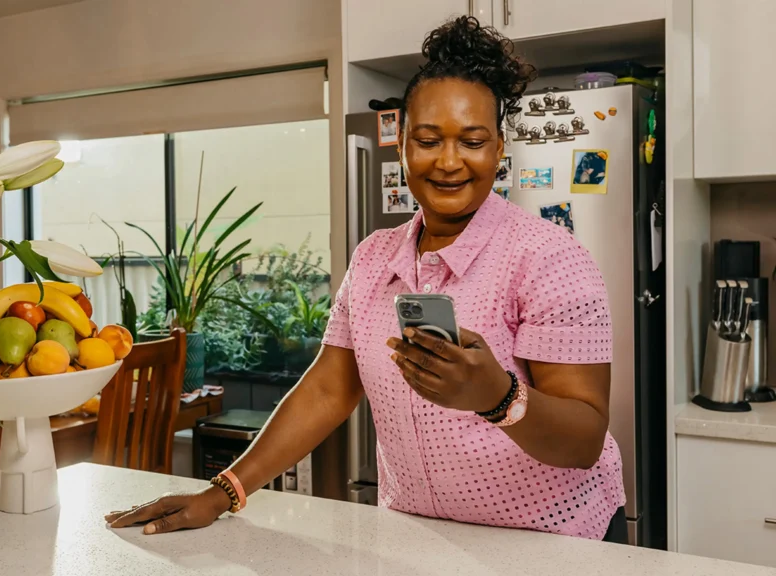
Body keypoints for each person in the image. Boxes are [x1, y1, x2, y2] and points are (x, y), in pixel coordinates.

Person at [106, 16, 626, 543]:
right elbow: (329, 388)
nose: (449, 161)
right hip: (419, 535)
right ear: (401, 144)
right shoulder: (374, 257)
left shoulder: (550, 258)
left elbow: (584, 439)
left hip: (551, 539)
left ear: (498, 150)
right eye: (428, 139)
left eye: (472, 141)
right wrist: (222, 493)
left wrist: (499, 396)